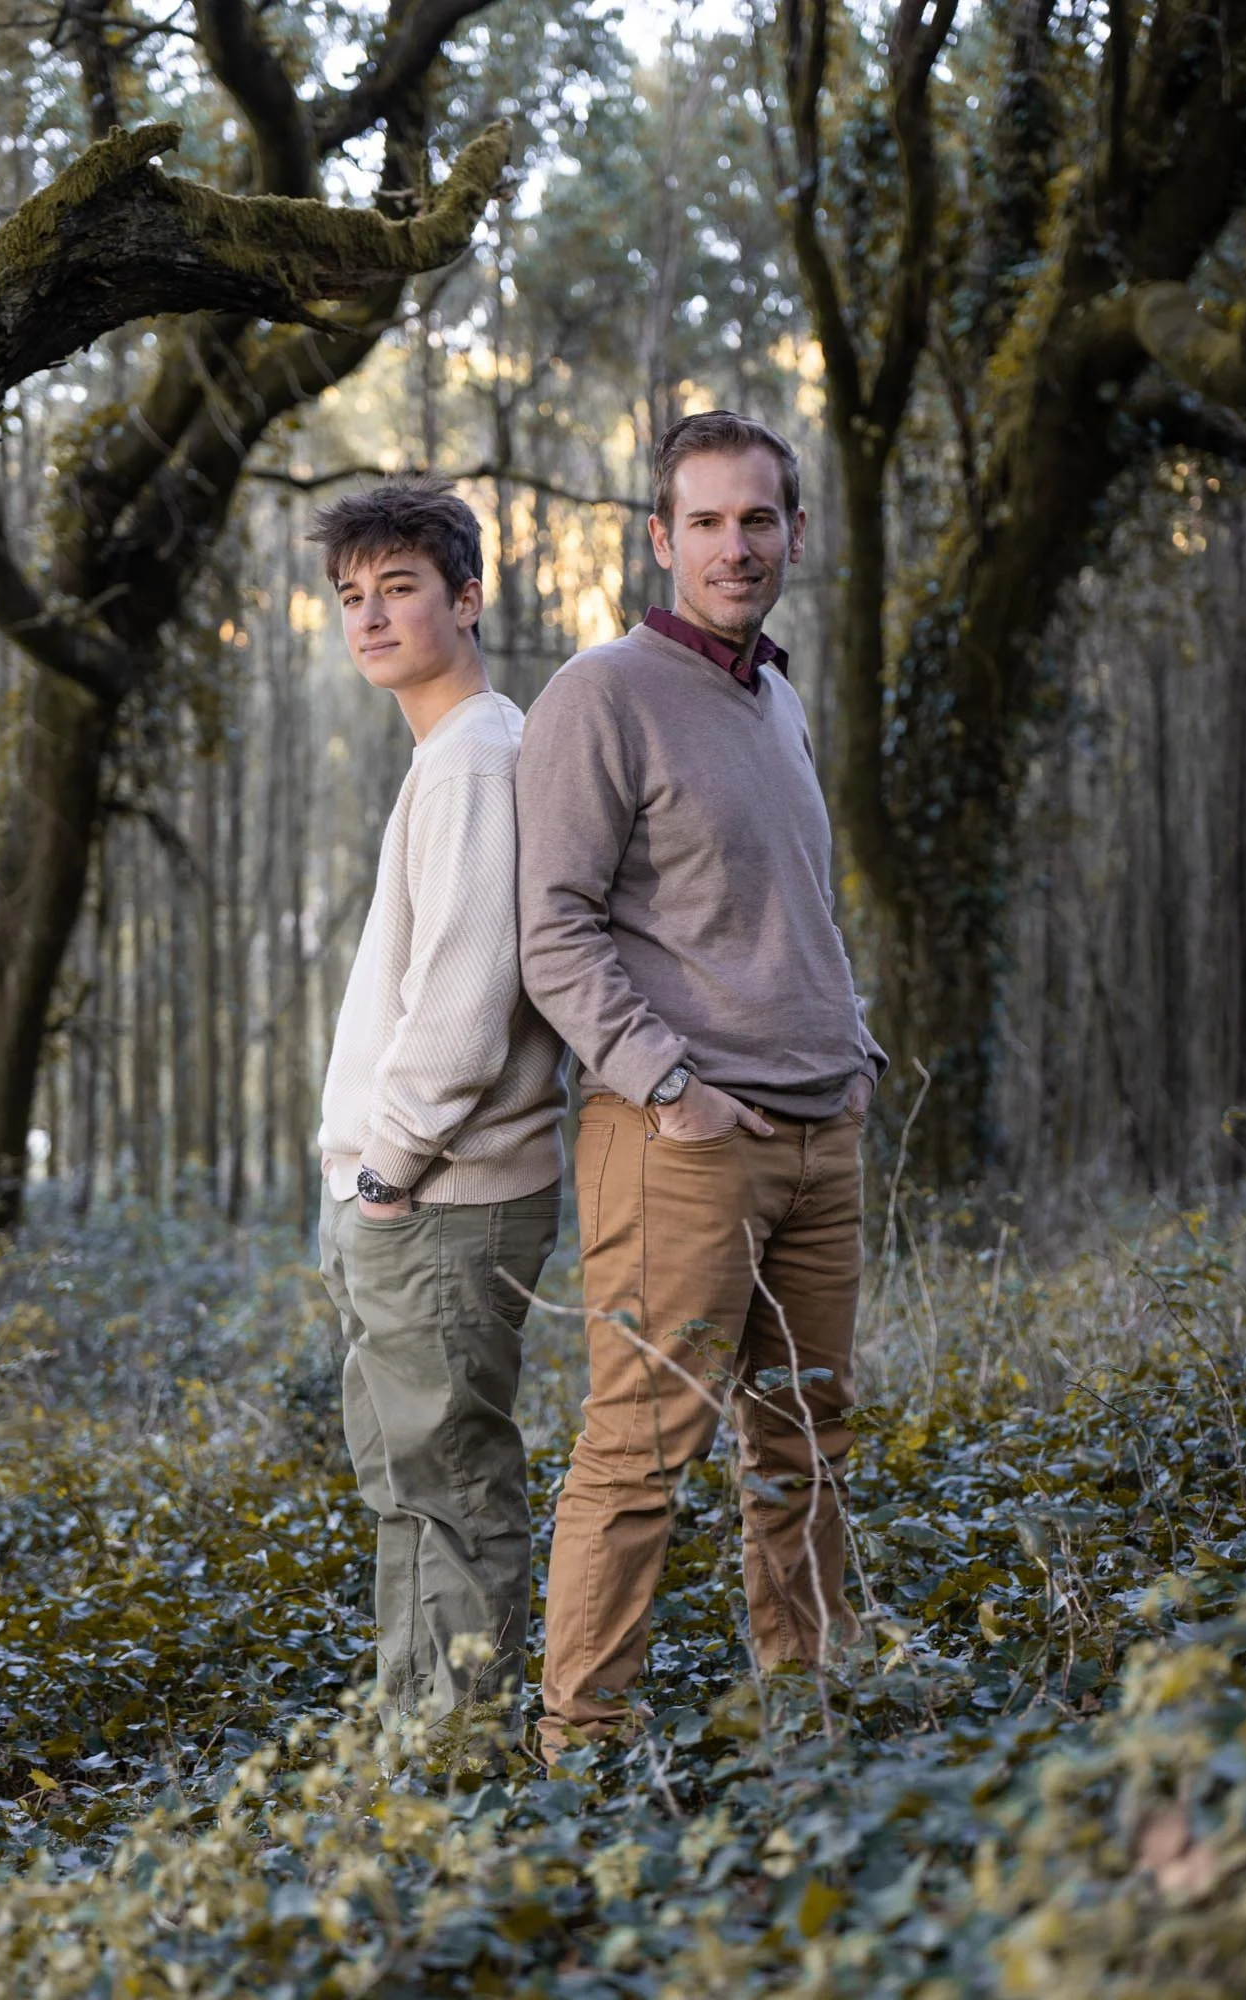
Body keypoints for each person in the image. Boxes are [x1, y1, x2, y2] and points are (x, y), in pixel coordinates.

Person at [515, 410, 887, 1757]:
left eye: (760, 519)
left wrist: (851, 1051)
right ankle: (585, 1743)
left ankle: (806, 1700)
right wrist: (667, 1084)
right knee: (638, 1448)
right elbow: (550, 928)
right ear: (661, 538)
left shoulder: (774, 694)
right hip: (679, 1138)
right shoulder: (601, 695)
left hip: (815, 1125)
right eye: (708, 522)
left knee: (806, 1437)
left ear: (795, 531)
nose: (737, 546)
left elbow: (789, 907)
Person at [313, 475, 566, 1744]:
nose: (370, 616)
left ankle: (455, 1751)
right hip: (415, 1192)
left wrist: (386, 1168)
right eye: (352, 595)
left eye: (398, 588)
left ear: (466, 600)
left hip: (440, 1196)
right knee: (409, 1478)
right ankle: (413, 1725)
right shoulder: (451, 753)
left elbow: (468, 996)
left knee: (451, 1482)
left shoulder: (473, 758)